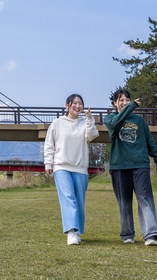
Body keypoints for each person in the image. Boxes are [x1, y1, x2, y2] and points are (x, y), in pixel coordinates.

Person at [104, 88, 157, 246]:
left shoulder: (139, 121)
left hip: (140, 164)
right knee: (124, 201)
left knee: (144, 198)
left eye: (127, 100)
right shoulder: (110, 119)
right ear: (114, 103)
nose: (124, 103)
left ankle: (150, 234)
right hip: (119, 166)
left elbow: (149, 141)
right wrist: (130, 107)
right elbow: (117, 124)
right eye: (121, 100)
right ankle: (127, 234)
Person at [43, 94, 99, 245]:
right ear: (67, 105)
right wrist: (48, 163)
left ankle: (78, 230)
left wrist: (89, 119)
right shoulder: (57, 123)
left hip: (80, 167)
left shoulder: (84, 122)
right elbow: (49, 144)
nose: (78, 105)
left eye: (80, 103)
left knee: (79, 200)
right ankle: (71, 231)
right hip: (61, 166)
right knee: (68, 198)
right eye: (74, 103)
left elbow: (92, 136)